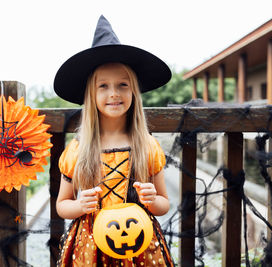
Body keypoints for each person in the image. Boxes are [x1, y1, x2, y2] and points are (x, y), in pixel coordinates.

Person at [53, 15, 174, 266]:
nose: (114, 94)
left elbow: (164, 204)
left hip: (140, 244)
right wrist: (79, 206)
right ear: (91, 94)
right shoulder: (78, 149)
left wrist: (153, 201)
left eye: (123, 85)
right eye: (103, 86)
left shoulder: (147, 146)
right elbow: (62, 205)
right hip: (89, 247)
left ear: (134, 92)